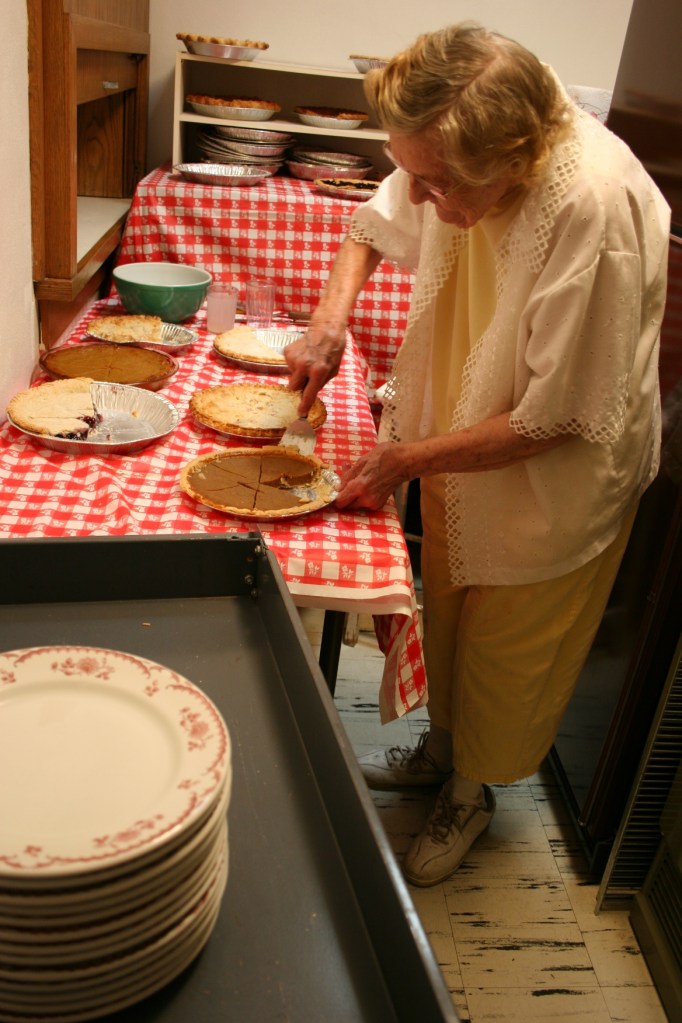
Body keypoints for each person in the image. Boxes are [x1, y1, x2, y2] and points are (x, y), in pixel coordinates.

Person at [285, 22, 671, 887]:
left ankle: (474, 789)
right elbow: (369, 225)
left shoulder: (593, 209)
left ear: (520, 156)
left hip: (552, 474)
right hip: (465, 429)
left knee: (511, 644)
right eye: (410, 170)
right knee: (451, 606)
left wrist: (404, 459)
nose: (417, 196)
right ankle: (440, 752)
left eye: (439, 183)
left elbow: (558, 416)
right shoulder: (455, 150)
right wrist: (329, 322)